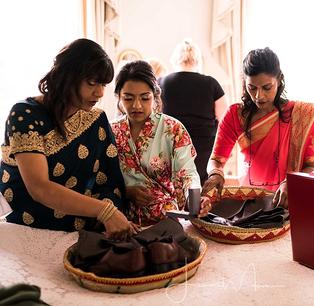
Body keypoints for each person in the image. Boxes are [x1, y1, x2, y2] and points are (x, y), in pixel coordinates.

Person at [0, 38, 136, 239]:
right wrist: (104, 211)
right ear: (68, 77)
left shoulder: (95, 119)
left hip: (86, 224)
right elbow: (39, 187)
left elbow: (109, 181)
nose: (99, 93)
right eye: (92, 83)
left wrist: (113, 216)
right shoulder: (25, 114)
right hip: (29, 224)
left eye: (103, 85)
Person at [202, 47, 314, 208]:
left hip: (287, 201)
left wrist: (292, 182)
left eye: (267, 88)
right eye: (252, 88)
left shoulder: (300, 116)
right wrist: (215, 175)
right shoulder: (235, 115)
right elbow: (216, 160)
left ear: (280, 80)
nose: (258, 96)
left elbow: (311, 166)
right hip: (248, 202)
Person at [111, 60, 212, 226]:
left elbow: (187, 173)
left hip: (165, 221)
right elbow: (101, 179)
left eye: (145, 98)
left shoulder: (173, 129)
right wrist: (126, 191)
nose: (137, 105)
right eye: (128, 98)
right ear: (119, 97)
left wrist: (196, 198)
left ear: (155, 95)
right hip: (121, 222)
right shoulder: (110, 131)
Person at [159, 40, 226, 185]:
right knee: (201, 191)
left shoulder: (161, 83)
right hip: (204, 150)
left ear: (175, 59)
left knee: (172, 189)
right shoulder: (211, 83)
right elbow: (223, 120)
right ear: (197, 60)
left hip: (171, 146)